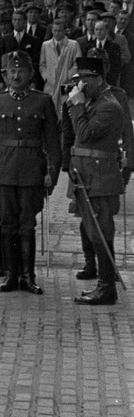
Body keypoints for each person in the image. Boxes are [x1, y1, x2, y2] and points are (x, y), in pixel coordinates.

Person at [0, 51, 58, 294]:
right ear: (5, 74)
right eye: (11, 71)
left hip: (32, 170)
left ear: (30, 74)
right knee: (7, 222)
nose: (16, 75)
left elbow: (53, 142)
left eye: (21, 71)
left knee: (27, 224)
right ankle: (11, 275)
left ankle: (28, 275)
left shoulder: (42, 101)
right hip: (4, 171)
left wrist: (51, 173)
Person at [64, 55, 133, 306]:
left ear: (99, 79)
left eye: (85, 79)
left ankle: (106, 288)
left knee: (101, 233)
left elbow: (84, 133)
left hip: (100, 177)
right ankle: (104, 284)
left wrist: (77, 105)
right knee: (96, 232)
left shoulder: (108, 105)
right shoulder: (96, 101)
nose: (80, 85)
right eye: (79, 79)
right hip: (88, 175)